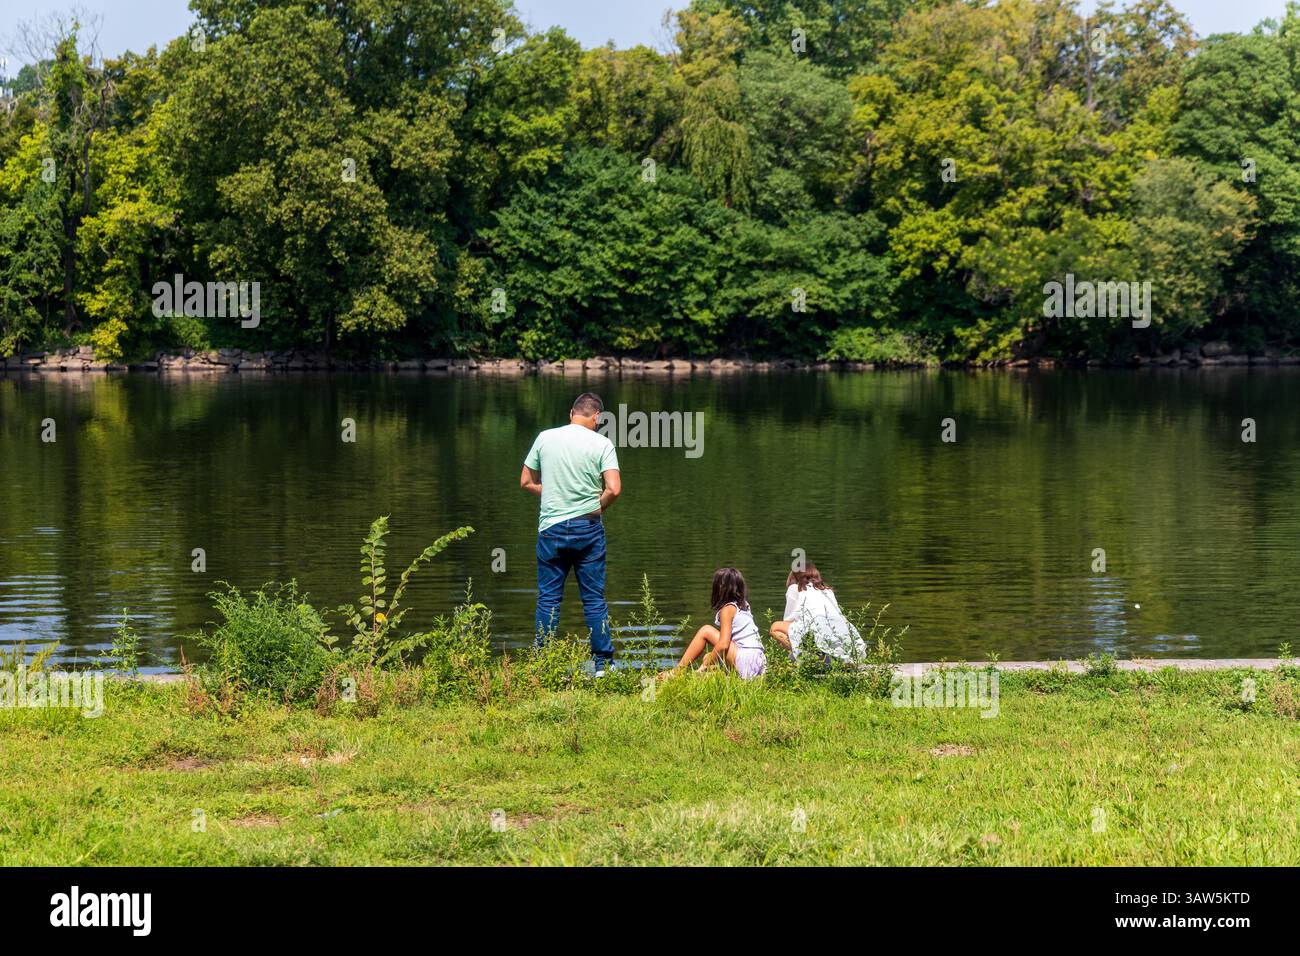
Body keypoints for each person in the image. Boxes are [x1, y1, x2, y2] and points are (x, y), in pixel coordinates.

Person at [520, 393, 622, 674]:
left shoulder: (544, 437)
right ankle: (603, 666)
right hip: (587, 529)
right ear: (597, 417)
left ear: (571, 413)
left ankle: (542, 664)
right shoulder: (602, 443)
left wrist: (552, 491)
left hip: (551, 530)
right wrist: (595, 505)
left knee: (548, 599)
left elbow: (526, 481)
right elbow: (613, 489)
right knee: (593, 599)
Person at [665, 567, 766, 679]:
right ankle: (720, 676)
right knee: (710, 655)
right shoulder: (745, 605)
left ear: (720, 589)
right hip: (758, 660)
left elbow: (723, 644)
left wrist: (705, 665)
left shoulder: (727, 609)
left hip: (746, 659)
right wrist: (709, 659)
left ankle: (677, 671)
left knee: (706, 630)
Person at [769, 562, 865, 664]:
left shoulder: (795, 588)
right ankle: (826, 657)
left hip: (816, 630)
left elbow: (789, 619)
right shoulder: (827, 590)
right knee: (809, 629)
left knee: (775, 627)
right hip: (844, 636)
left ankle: (806, 659)